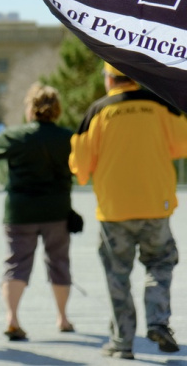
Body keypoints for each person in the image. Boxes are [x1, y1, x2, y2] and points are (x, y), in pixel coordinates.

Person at [70, 62, 187, 360]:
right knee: (160, 263)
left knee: (117, 275)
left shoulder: (96, 112)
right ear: (134, 79)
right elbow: (181, 144)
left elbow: (80, 167)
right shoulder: (159, 105)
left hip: (114, 211)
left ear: (109, 79)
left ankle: (122, 343)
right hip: (155, 205)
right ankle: (158, 321)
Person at [0, 83, 75, 342]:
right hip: (57, 210)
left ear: (31, 109)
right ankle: (63, 318)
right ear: (56, 109)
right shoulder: (68, 137)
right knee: (59, 263)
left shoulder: (16, 135)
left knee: (17, 264)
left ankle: (12, 319)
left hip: (21, 211)